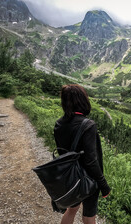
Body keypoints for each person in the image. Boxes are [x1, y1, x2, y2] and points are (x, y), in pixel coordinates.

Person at [54, 84, 111, 224]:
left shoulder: (59, 124)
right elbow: (91, 160)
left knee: (72, 209)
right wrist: (103, 184)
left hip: (70, 176)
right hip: (88, 179)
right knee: (89, 215)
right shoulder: (88, 125)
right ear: (82, 100)